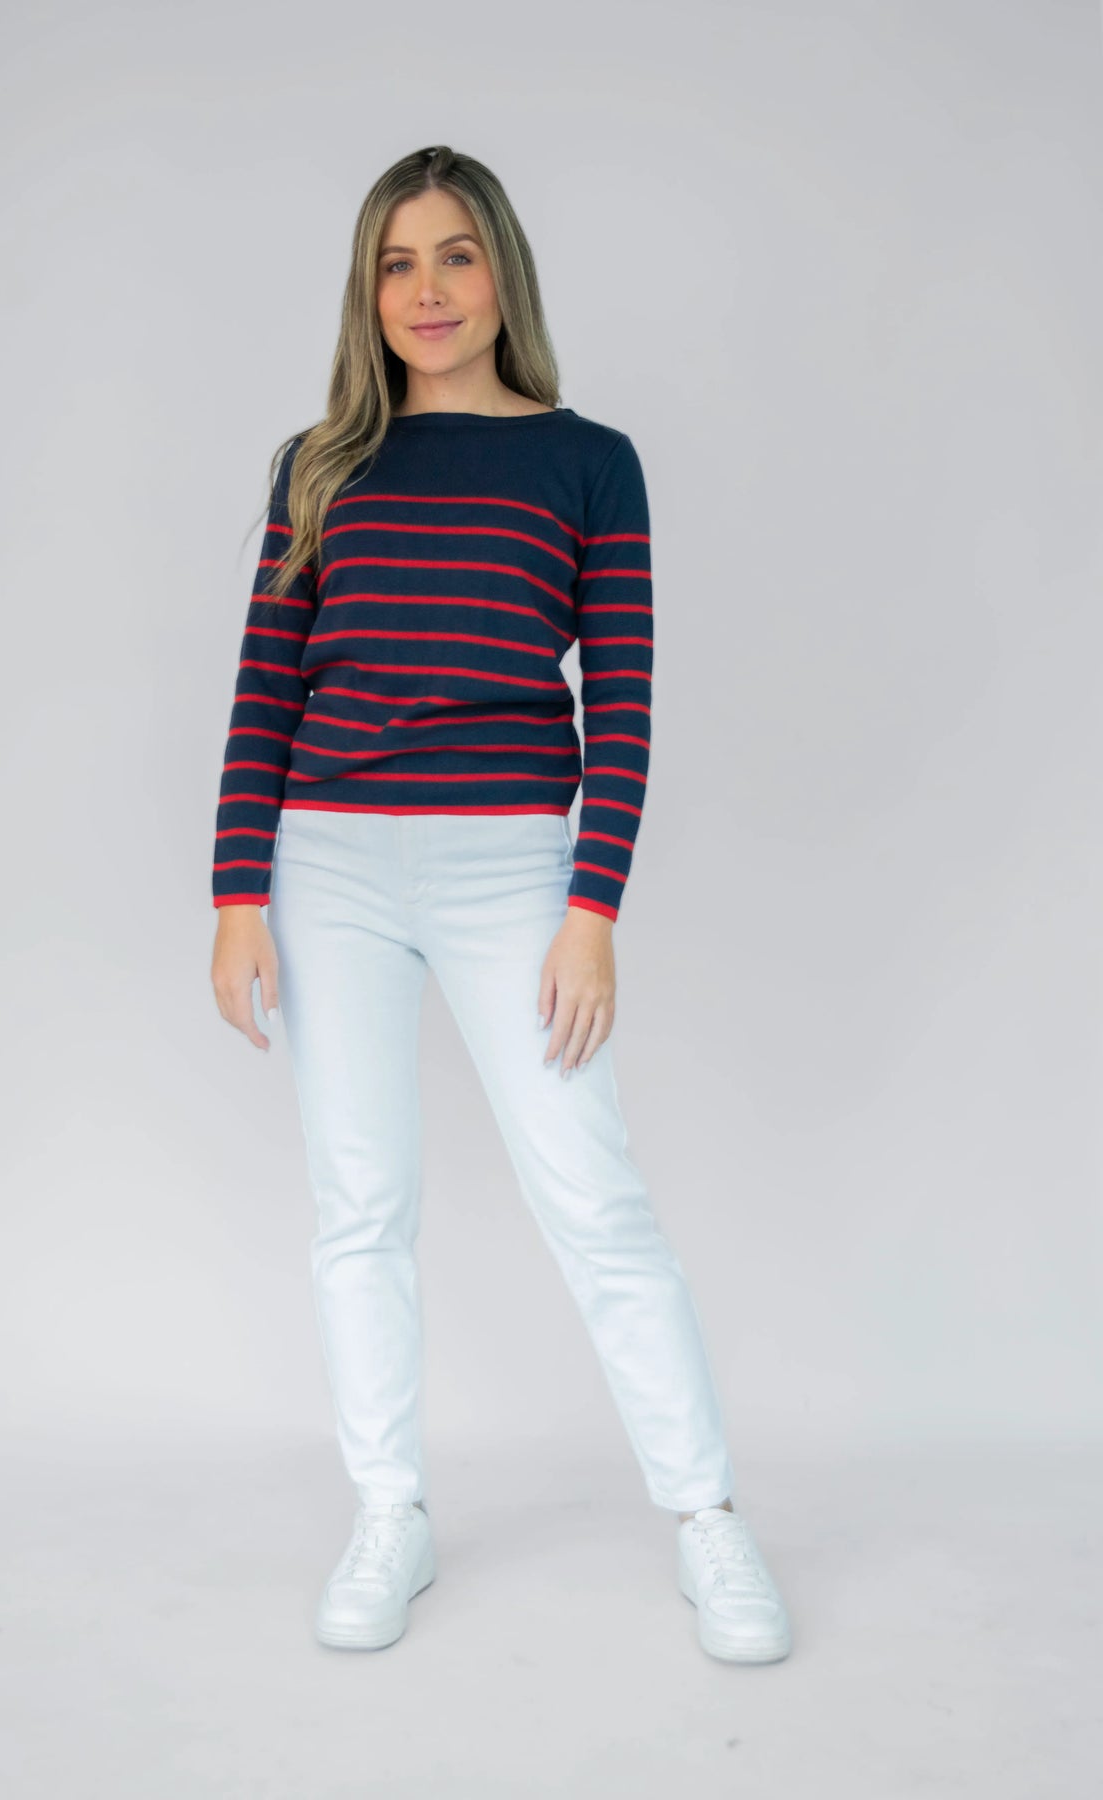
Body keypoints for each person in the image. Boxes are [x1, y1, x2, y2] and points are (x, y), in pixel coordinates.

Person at [210, 144, 792, 1664]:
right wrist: (236, 893)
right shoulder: (318, 464)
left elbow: (627, 698)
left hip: (512, 862)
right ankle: (389, 1513)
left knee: (594, 1198)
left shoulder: (589, 462)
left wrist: (592, 910)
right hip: (326, 862)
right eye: (397, 264)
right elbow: (267, 688)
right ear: (368, 291)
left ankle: (709, 1519)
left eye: (455, 255)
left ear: (502, 274)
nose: (428, 291)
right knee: (361, 1204)